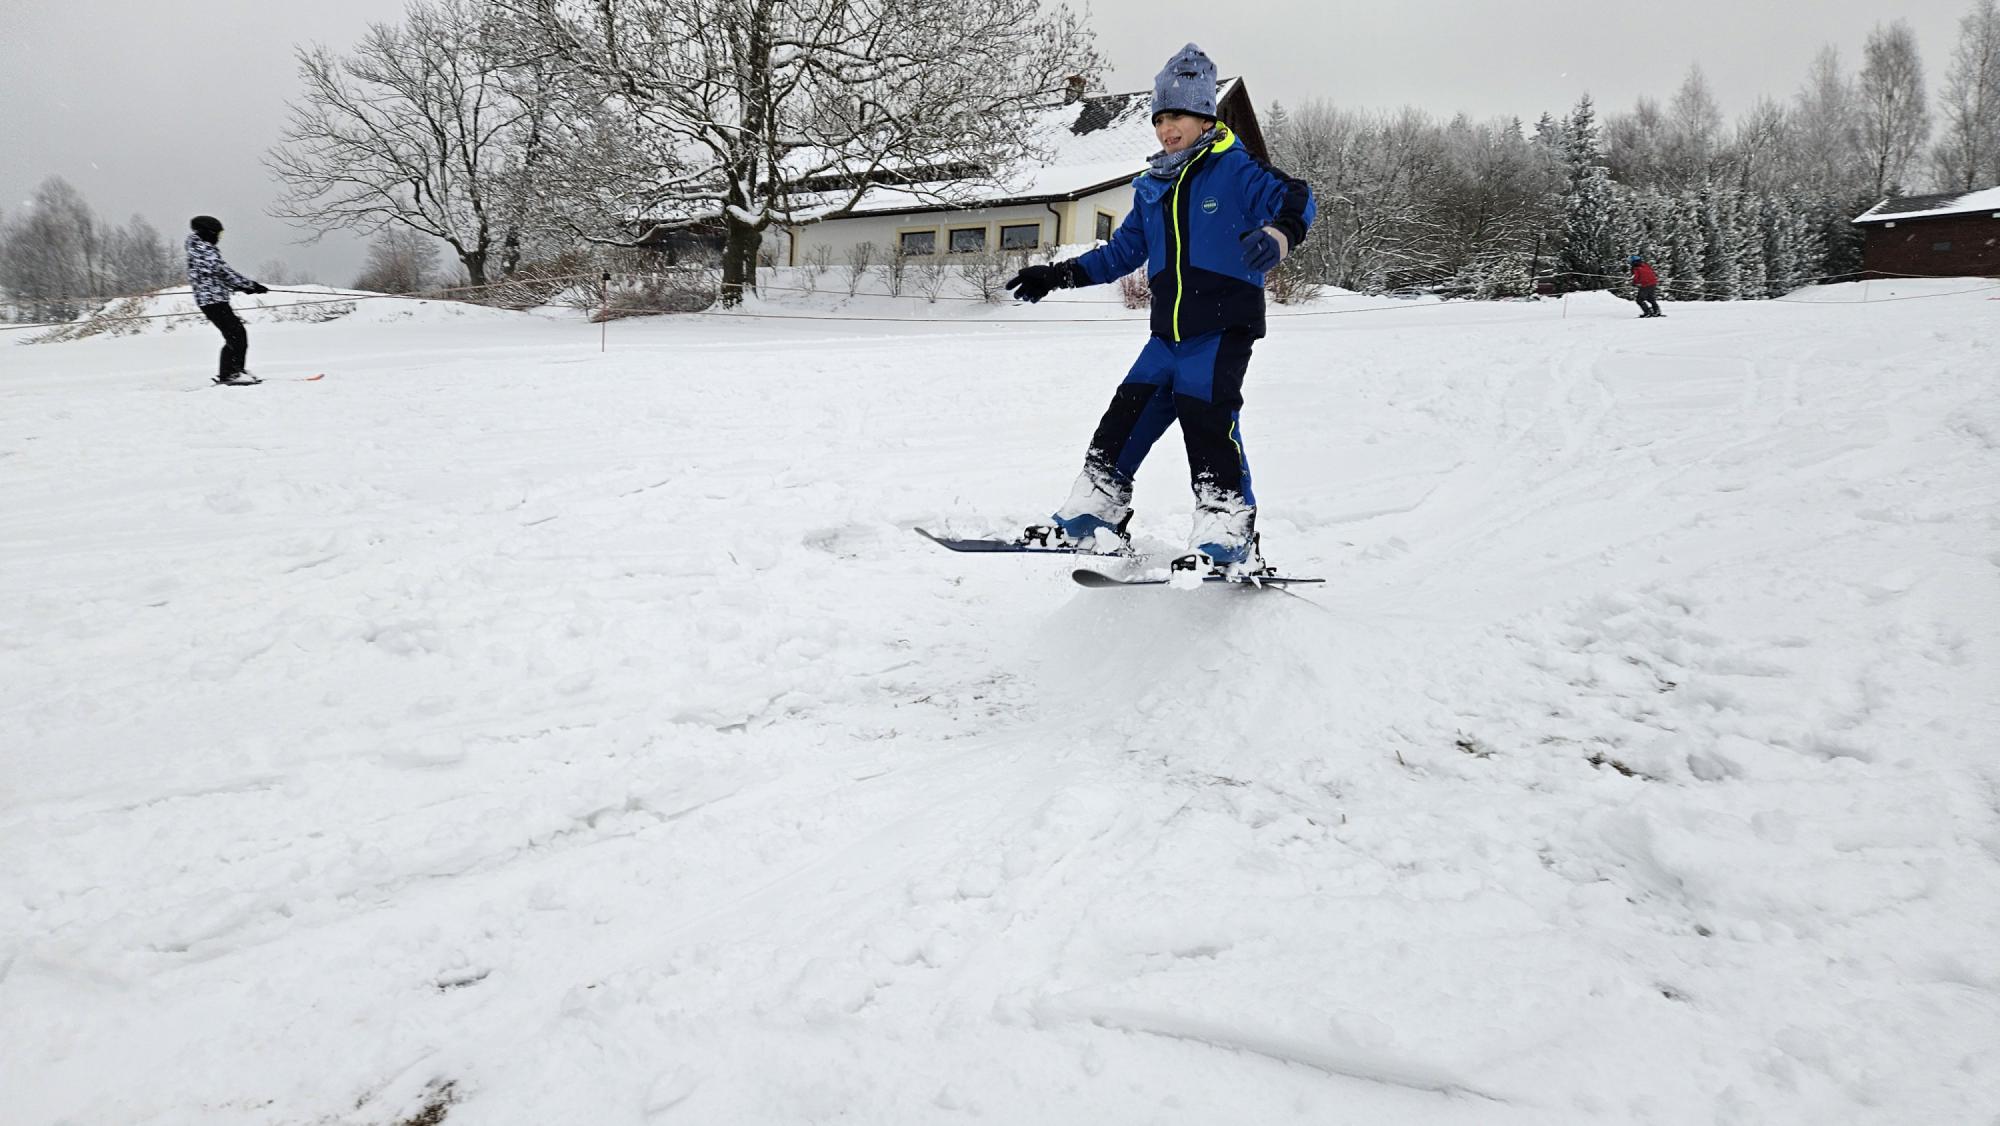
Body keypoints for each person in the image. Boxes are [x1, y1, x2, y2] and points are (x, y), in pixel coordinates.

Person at [1006, 44, 1315, 573]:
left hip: (1222, 326)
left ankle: (1227, 534)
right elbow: (1122, 253)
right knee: (1123, 418)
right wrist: (1056, 274)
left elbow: (1297, 197)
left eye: (1178, 116)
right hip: (1166, 333)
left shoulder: (1234, 169)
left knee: (1208, 422)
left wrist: (1280, 235)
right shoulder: (1151, 188)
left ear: (1203, 117)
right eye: (1160, 118)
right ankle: (1092, 514)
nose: (1167, 128)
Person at [185, 215, 269, 384]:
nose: (218, 239)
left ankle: (232, 372)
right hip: (212, 300)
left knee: (235, 335)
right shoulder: (203, 249)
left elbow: (217, 275)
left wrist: (243, 286)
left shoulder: (199, 248)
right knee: (236, 335)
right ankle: (232, 374)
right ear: (208, 233)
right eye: (218, 234)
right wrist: (249, 285)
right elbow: (222, 272)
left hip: (213, 299)